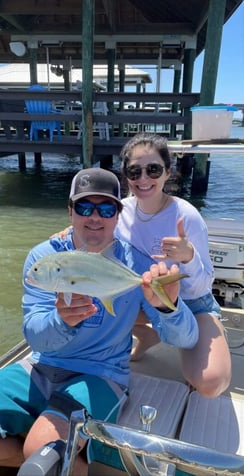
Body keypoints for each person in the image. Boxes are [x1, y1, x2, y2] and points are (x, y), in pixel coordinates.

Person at [0, 168, 198, 476]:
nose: (95, 217)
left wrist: (168, 307)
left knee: (41, 449)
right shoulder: (45, 257)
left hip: (101, 373)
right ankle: (51, 460)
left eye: (106, 208)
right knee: (32, 451)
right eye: (84, 207)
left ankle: (45, 457)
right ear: (70, 211)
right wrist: (61, 320)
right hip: (41, 366)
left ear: (117, 215)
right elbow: (35, 337)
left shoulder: (139, 264)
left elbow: (186, 339)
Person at [116, 132, 231, 397]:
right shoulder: (120, 210)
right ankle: (150, 335)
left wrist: (188, 257)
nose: (143, 179)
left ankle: (210, 330)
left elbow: (203, 284)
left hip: (191, 304)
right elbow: (94, 229)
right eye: (134, 171)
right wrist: (67, 233)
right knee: (97, 298)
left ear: (168, 172)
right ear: (127, 175)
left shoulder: (186, 215)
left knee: (210, 383)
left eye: (153, 169)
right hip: (145, 299)